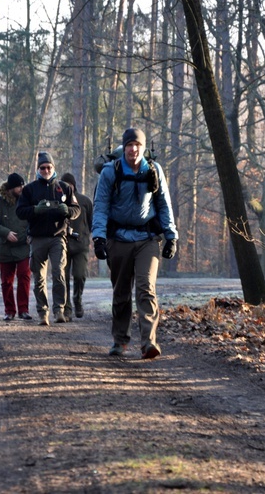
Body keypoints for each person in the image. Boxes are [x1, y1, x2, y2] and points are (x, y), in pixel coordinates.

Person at [91, 128, 178, 359]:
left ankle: (149, 342)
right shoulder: (111, 172)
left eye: (137, 145)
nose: (133, 149)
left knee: (146, 289)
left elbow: (164, 205)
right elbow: (100, 206)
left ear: (143, 147)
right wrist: (98, 237)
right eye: (129, 145)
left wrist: (171, 236)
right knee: (121, 292)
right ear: (124, 148)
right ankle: (120, 341)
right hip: (118, 238)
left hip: (147, 239)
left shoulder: (154, 170)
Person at [16, 152, 80, 326]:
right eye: (42, 167)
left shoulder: (65, 187)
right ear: (38, 169)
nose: (45, 170)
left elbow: (76, 210)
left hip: (58, 237)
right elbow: (20, 212)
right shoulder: (29, 189)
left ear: (54, 168)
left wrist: (66, 210)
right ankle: (42, 311)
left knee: (59, 273)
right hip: (37, 238)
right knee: (39, 278)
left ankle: (59, 309)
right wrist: (35, 210)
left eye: (49, 167)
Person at [0, 173, 33, 321]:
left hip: (24, 246)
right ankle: (9, 311)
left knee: (24, 276)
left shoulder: (27, 201)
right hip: (5, 247)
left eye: (22, 185)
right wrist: (5, 233)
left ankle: (23, 310)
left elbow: (34, 217)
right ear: (11, 187)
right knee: (6, 281)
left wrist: (31, 234)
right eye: (19, 186)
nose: (21, 188)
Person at [60, 172, 93, 320]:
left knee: (79, 275)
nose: (67, 187)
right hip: (62, 245)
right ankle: (67, 309)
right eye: (64, 185)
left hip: (81, 246)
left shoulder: (84, 201)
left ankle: (77, 299)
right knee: (63, 277)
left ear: (74, 185)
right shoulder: (58, 201)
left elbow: (92, 222)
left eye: (69, 184)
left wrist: (88, 237)